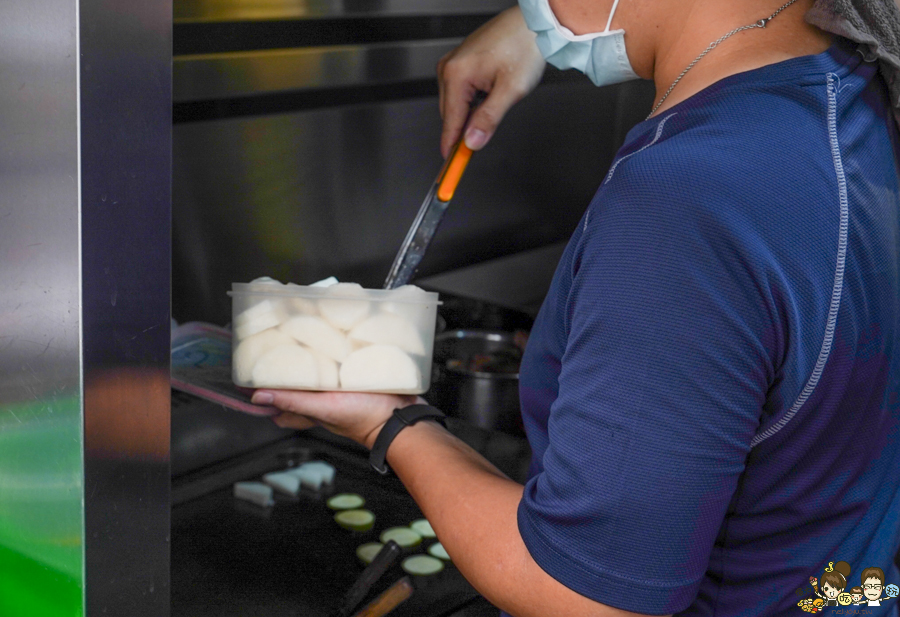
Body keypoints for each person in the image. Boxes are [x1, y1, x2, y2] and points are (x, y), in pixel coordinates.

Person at [252, 0, 900, 614]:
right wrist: (535, 25)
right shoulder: (850, 86)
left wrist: (387, 423)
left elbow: (586, 597)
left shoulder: (686, 199)